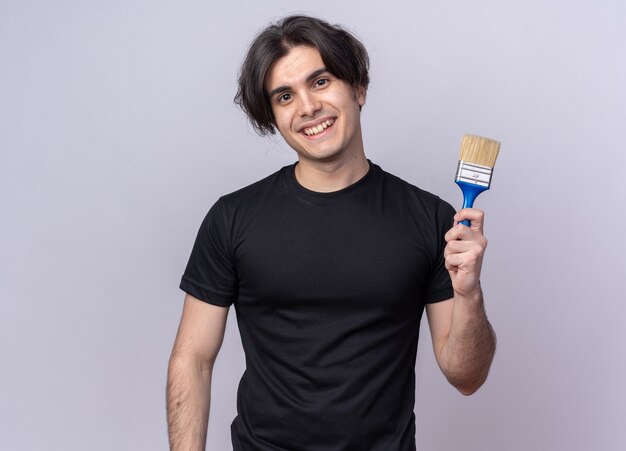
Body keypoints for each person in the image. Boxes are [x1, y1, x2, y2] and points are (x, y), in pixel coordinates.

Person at [166, 14, 496, 451]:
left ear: (358, 88)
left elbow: (466, 377)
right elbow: (193, 360)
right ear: (274, 117)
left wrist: (469, 293)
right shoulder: (232, 218)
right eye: (285, 96)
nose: (307, 107)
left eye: (320, 82)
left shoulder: (430, 219)